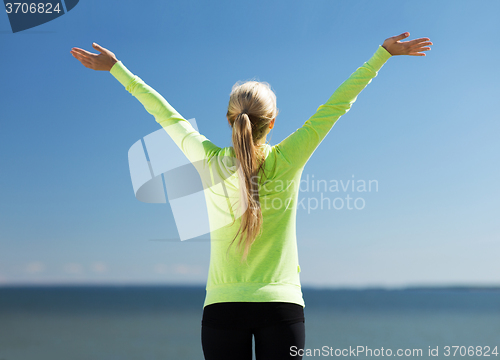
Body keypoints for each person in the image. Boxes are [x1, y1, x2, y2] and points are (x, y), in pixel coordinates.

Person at [70, 32, 432, 360]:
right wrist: (381, 55)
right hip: (282, 309)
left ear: (230, 119)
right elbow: (336, 106)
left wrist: (116, 68)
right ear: (271, 122)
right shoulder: (288, 159)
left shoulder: (208, 160)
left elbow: (164, 114)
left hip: (222, 309)